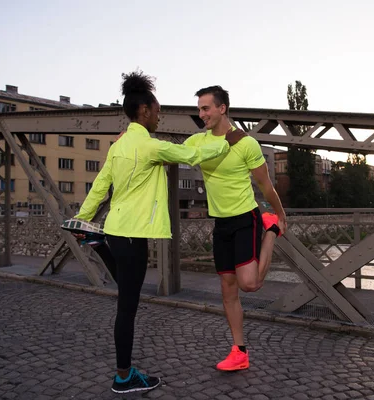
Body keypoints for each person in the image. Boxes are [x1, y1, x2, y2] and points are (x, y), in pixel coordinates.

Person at [73, 72, 246, 393]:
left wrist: (81, 218)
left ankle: (97, 242)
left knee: (125, 292)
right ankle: (123, 377)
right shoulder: (151, 146)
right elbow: (192, 155)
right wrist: (226, 141)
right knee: (127, 305)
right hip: (133, 234)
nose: (159, 115)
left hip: (115, 230)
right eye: (156, 110)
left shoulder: (120, 145)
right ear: (144, 112)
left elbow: (100, 185)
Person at [183, 85, 287, 371]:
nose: (201, 114)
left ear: (222, 108)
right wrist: (131, 137)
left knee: (250, 284)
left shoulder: (247, 144)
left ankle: (270, 233)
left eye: (205, 108)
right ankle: (239, 352)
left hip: (245, 218)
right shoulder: (197, 143)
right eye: (199, 109)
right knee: (228, 289)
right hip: (221, 223)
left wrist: (279, 214)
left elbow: (265, 184)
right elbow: (167, 152)